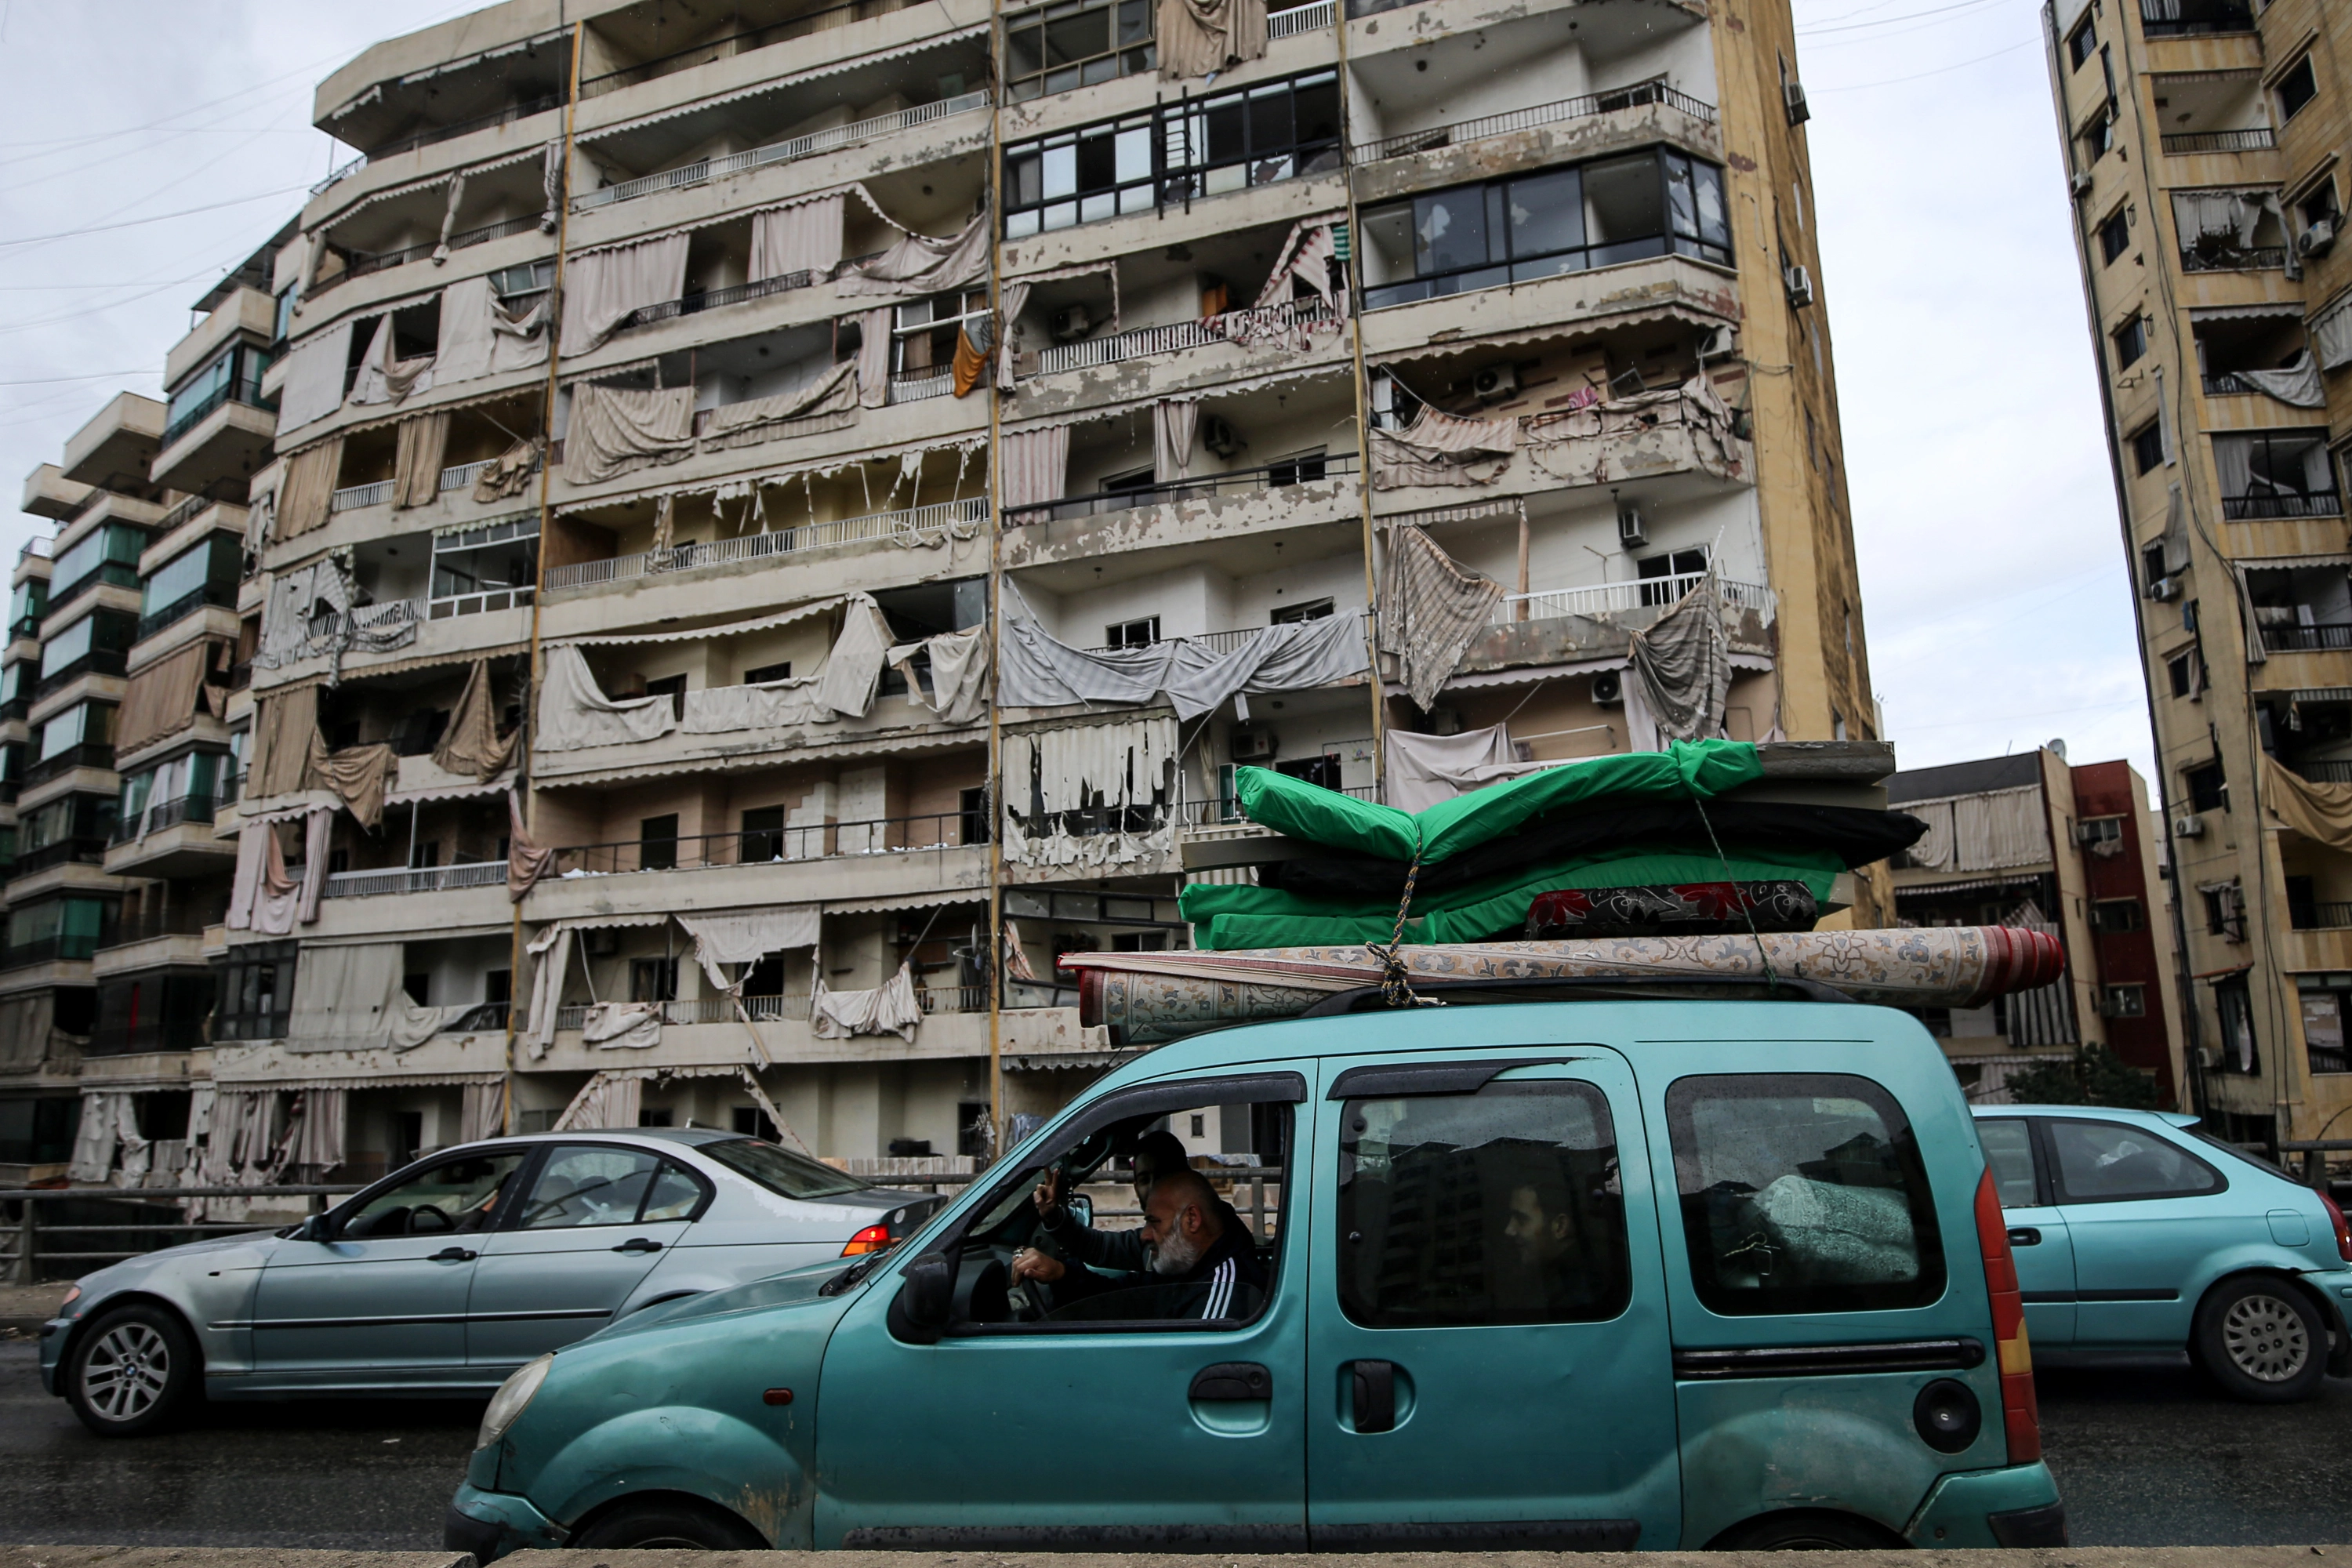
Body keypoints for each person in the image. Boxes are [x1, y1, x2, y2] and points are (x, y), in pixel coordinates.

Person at [1044, 1169, 1267, 1322]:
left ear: (1192, 1219)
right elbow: (1122, 1298)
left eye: (1154, 1223)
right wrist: (1062, 1275)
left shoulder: (1226, 1290)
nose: (1145, 1235)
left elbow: (1188, 1368)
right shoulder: (1185, 1265)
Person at [1010, 1128, 1191, 1287]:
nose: (1154, 1188)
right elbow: (1097, 1247)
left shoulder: (1205, 1254)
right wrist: (1053, 1216)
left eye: (1163, 1176)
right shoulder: (1149, 1239)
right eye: (1145, 1179)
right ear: (1136, 1187)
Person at [1502, 1167, 1599, 1314]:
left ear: (1560, 1227)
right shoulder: (1557, 1279)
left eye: (1521, 1219)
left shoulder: (1576, 1297)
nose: (1508, 1230)